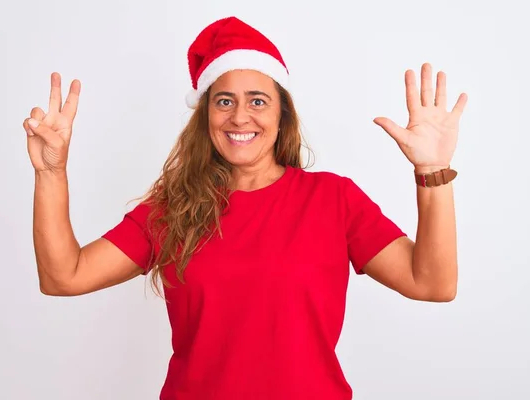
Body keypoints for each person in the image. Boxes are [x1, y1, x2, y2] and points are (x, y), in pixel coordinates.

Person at [23, 16, 467, 400]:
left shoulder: (334, 199)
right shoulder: (173, 209)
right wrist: (50, 173)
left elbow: (432, 283)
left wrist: (433, 170)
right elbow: (65, 276)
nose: (240, 117)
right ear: (206, 115)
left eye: (258, 100)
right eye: (224, 101)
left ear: (282, 115)